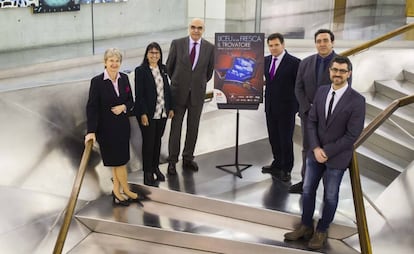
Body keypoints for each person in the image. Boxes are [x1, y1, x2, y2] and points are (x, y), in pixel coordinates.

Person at [284, 56, 365, 250]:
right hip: (315, 153)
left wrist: (326, 151)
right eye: (334, 70)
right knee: (307, 190)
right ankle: (305, 226)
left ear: (349, 74)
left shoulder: (357, 100)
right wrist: (316, 148)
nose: (337, 74)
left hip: (336, 157)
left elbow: (352, 134)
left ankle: (321, 230)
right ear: (330, 71)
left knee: (330, 196)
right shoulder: (321, 92)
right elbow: (311, 121)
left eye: (342, 71)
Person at [85, 48, 143, 206]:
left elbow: (131, 101)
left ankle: (118, 190)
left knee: (121, 162)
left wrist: (123, 107)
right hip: (106, 130)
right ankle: (124, 189)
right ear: (105, 62)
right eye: (111, 60)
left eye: (117, 60)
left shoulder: (124, 78)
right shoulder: (97, 82)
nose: (114, 63)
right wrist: (91, 131)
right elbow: (92, 107)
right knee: (117, 163)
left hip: (122, 128)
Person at [291, 28, 339, 194]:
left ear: (332, 42)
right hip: (308, 115)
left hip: (330, 117)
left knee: (327, 150)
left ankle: (327, 186)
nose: (322, 44)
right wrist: (306, 107)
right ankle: (306, 182)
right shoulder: (305, 62)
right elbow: (298, 88)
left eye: (325, 40)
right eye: (319, 41)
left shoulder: (341, 63)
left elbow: (343, 91)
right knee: (307, 148)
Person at [165, 18, 215, 175]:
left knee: (193, 128)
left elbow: (208, 72)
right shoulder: (177, 44)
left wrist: (195, 85)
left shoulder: (210, 48)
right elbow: (169, 68)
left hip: (197, 96)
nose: (196, 30)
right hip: (178, 94)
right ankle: (172, 161)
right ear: (189, 28)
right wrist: (180, 83)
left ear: (203, 30)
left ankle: (188, 158)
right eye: (193, 27)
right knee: (176, 129)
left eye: (199, 28)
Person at [262, 33, 300, 182]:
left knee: (285, 139)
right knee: (273, 137)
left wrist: (296, 107)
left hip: (287, 108)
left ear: (283, 45)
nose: (273, 48)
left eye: (276, 45)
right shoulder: (265, 61)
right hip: (270, 106)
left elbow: (299, 86)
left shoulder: (294, 62)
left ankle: (287, 168)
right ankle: (277, 163)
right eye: (270, 45)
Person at [134, 42, 174, 186]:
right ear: (146, 54)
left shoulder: (163, 69)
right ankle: (147, 172)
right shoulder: (141, 71)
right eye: (151, 53)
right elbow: (140, 95)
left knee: (157, 142)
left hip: (162, 113)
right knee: (148, 143)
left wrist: (171, 107)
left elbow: (167, 90)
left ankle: (155, 167)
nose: (154, 55)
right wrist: (143, 113)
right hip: (148, 114)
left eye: (157, 53)